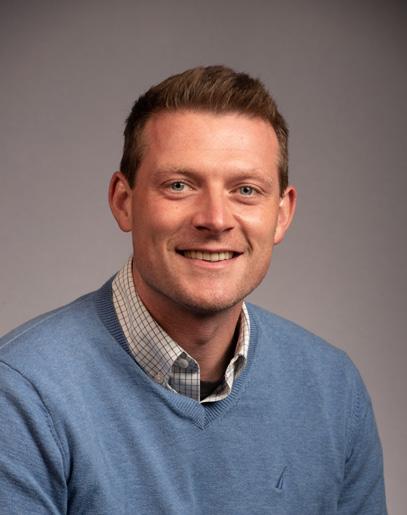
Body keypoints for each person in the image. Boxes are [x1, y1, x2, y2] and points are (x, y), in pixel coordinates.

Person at [0, 66, 387, 514]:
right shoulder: (22, 394)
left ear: (282, 214)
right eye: (179, 185)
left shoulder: (333, 389)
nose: (215, 219)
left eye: (246, 190)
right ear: (124, 201)